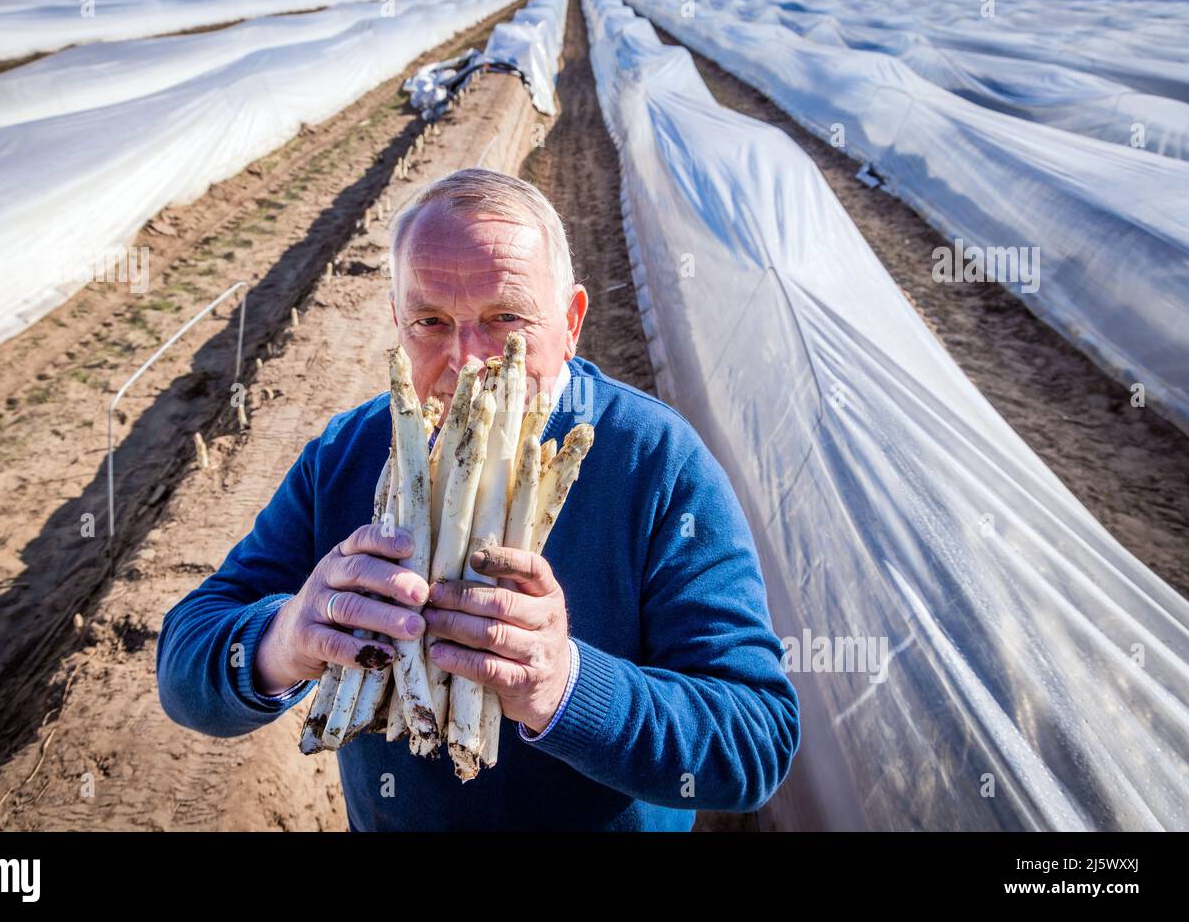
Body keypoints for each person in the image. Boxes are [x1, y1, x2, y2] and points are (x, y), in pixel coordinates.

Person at [156, 168, 800, 830]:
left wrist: (564, 684)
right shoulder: (345, 454)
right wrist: (285, 637)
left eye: (506, 320)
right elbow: (184, 661)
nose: (468, 361)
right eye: (431, 321)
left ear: (571, 321)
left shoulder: (658, 464)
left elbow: (755, 739)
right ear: (397, 322)